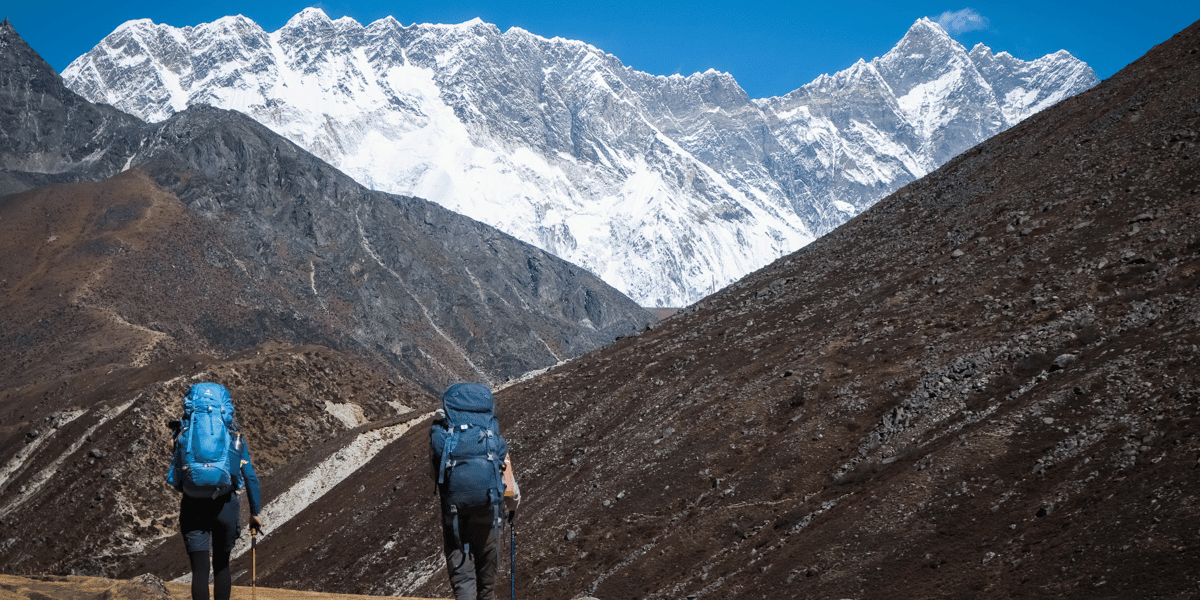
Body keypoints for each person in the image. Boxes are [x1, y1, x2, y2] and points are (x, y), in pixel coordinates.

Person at [168, 383, 264, 600]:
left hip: (192, 505)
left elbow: (176, 470)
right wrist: (255, 512)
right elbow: (250, 477)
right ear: (225, 408)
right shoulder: (234, 437)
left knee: (200, 572)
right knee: (221, 566)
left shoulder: (183, 433)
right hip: (225, 506)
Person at [430, 383, 511, 600]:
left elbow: (436, 467)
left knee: (462, 572)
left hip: (455, 512)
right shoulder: (491, 429)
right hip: (489, 506)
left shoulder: (440, 431)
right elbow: (502, 458)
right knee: (486, 581)